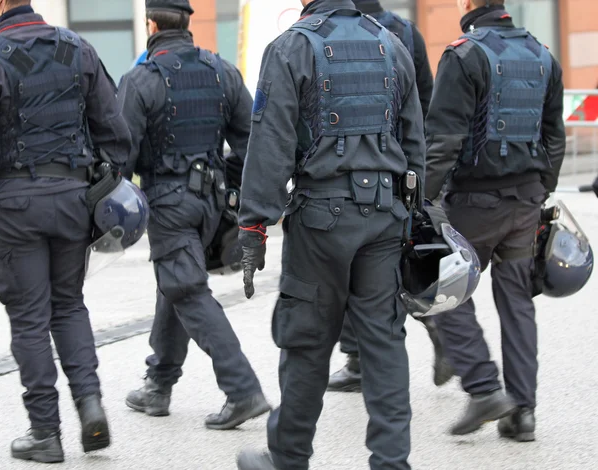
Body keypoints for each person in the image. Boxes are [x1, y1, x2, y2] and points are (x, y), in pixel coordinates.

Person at [236, 0, 426, 468]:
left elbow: (270, 140)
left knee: (306, 341)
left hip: (321, 219)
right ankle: (391, 461)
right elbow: (414, 138)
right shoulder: (391, 43)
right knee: (384, 343)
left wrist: (253, 224)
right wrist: (414, 212)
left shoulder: (292, 46)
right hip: (385, 215)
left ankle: (288, 458)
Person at [117, 0, 271, 430]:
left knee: (185, 287)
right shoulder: (223, 72)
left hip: (169, 205)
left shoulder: (142, 79)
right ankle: (159, 384)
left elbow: (120, 156)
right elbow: (251, 142)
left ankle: (242, 390)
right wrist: (234, 191)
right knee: (176, 283)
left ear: (151, 24)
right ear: (187, 22)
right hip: (212, 203)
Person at [424, 0, 566, 440]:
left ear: (468, 4)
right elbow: (554, 136)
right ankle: (522, 413)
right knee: (518, 305)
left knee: (440, 291)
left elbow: (443, 141)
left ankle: (484, 387)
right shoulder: (544, 55)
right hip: (525, 202)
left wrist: (420, 202)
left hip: (474, 203)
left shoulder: (464, 54)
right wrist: (541, 189)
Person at [0, 0, 132, 463]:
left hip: (13, 204)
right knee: (69, 305)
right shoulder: (78, 47)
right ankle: (90, 406)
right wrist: (99, 187)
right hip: (74, 199)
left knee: (30, 318)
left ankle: (45, 433)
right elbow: (116, 132)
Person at [328, 0, 454, 393]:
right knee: (397, 258)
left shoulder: (329, 32)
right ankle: (436, 331)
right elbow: (425, 104)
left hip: (347, 167)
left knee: (351, 262)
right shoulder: (404, 32)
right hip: (398, 165)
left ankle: (358, 360)